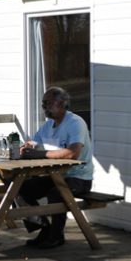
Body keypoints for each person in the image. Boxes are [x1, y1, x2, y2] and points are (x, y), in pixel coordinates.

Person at [19, 86, 93, 248]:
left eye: (48, 103)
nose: (44, 107)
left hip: (78, 177)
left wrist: (40, 154)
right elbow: (33, 142)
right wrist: (27, 147)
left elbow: (72, 153)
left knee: (56, 192)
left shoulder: (75, 123)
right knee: (21, 188)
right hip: (55, 175)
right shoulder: (48, 125)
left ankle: (56, 236)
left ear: (62, 103)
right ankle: (44, 228)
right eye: (43, 104)